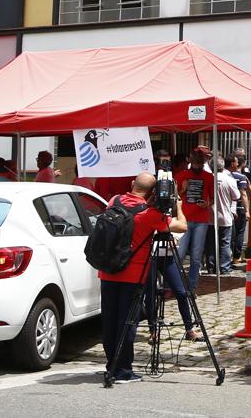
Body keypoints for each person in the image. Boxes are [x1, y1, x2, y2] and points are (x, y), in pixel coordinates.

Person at [99, 173, 188, 384]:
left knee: (109, 320)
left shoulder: (114, 201)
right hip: (133, 274)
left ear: (132, 184)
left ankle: (111, 364)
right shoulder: (150, 214)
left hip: (108, 271)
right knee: (127, 322)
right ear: (153, 192)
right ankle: (123, 371)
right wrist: (179, 206)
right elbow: (182, 227)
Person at [175, 149, 214, 291]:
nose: (197, 167)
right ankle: (177, 285)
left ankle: (191, 287)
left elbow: (213, 198)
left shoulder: (209, 177)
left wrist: (207, 204)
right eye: (195, 164)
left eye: (200, 164)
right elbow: (174, 198)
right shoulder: (182, 176)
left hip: (201, 220)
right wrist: (182, 190)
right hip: (184, 220)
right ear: (190, 162)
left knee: (196, 256)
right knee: (179, 254)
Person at [205, 157, 241, 275]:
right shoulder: (229, 180)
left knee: (211, 244)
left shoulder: (208, 179)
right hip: (225, 217)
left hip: (210, 217)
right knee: (225, 243)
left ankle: (211, 268)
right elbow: (237, 196)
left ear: (211, 167)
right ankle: (224, 268)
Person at [228, 155, 250, 264]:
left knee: (230, 233)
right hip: (240, 207)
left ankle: (229, 255)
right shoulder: (241, 177)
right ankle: (236, 257)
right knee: (240, 232)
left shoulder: (224, 176)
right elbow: (244, 194)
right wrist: (247, 211)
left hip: (227, 208)